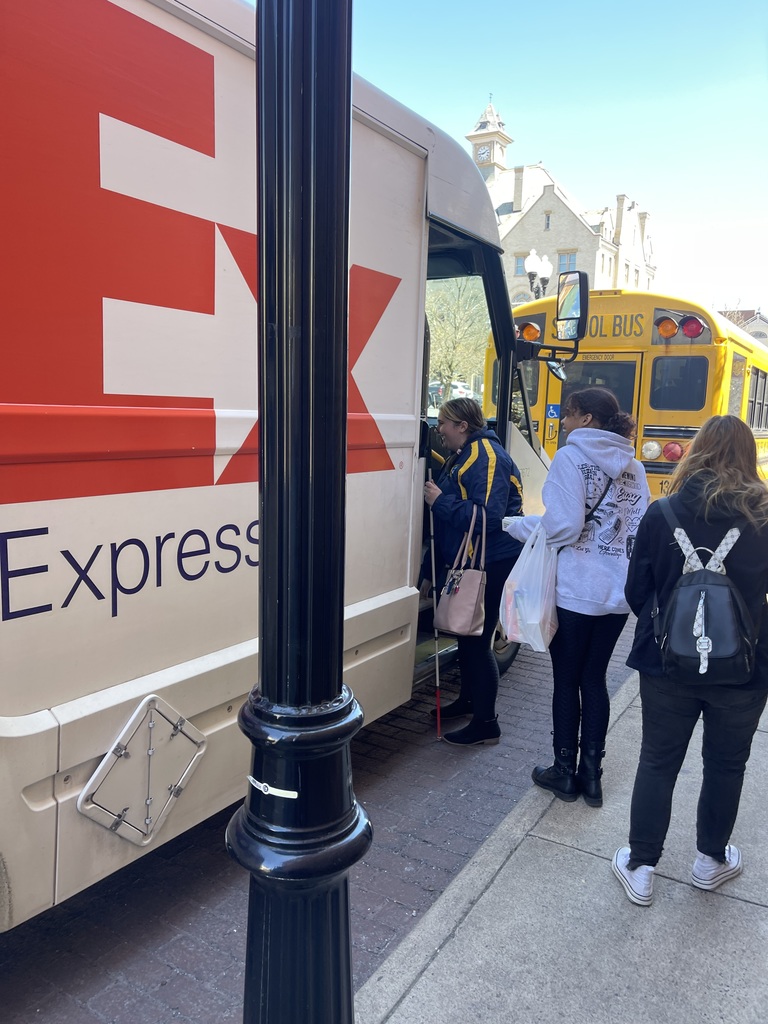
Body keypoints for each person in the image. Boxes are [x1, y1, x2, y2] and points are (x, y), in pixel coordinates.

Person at [613, 415, 768, 906]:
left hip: (667, 666)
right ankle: (709, 860)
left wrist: (671, 630)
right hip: (745, 669)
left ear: (698, 451)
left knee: (657, 761)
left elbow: (637, 592)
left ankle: (641, 866)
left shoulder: (662, 514)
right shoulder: (764, 517)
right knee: (726, 765)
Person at [505, 386, 649, 804]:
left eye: (568, 415)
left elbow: (563, 528)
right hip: (616, 592)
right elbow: (637, 527)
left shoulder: (570, 457)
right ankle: (593, 776)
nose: (564, 422)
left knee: (566, 680)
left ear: (587, 419)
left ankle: (564, 771)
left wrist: (519, 526)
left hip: (575, 591)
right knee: (595, 679)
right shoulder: (634, 467)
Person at [423, 398, 524, 746]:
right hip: (475, 559)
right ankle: (469, 701)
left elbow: (488, 519)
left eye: (444, 423)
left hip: (492, 560)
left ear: (462, 426)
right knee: (467, 640)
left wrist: (440, 501)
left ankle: (486, 722)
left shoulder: (486, 456)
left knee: (477, 642)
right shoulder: (468, 453)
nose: (439, 430)